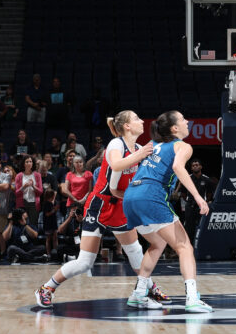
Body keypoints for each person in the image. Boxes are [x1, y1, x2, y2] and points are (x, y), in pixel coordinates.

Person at [37, 111, 169, 310]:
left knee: (135, 252)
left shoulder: (140, 148)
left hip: (120, 205)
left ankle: (147, 287)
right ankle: (46, 288)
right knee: (84, 263)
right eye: (136, 119)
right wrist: (140, 156)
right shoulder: (117, 145)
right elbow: (116, 165)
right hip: (100, 205)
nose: (142, 121)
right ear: (126, 126)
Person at [122, 110, 212, 312]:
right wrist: (198, 197)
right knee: (185, 247)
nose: (187, 121)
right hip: (151, 195)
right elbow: (179, 167)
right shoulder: (183, 145)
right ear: (174, 128)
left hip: (131, 196)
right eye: (182, 119)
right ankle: (192, 298)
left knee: (157, 243)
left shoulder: (152, 145)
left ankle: (138, 294)